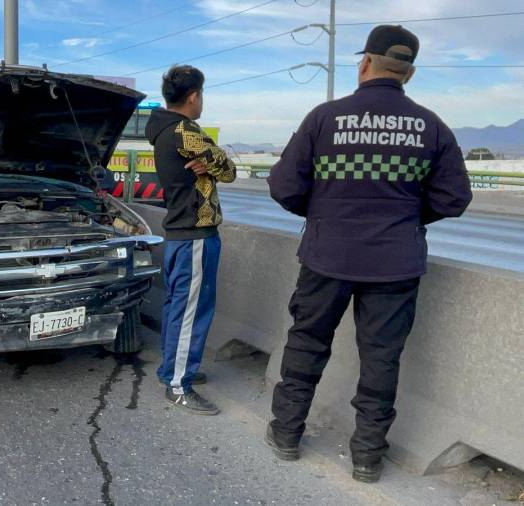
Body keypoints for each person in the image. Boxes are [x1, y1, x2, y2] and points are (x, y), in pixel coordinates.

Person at [265, 25, 473, 483]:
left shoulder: (324, 118)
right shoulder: (432, 126)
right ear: (409, 73)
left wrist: (324, 213)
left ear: (364, 64)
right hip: (395, 264)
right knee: (381, 359)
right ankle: (367, 459)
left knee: (307, 343)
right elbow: (453, 199)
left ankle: (285, 434)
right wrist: (405, 216)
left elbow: (283, 186)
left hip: (326, 256)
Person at [145, 65, 237, 415]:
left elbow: (216, 166)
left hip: (179, 234)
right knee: (191, 312)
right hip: (196, 234)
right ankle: (178, 384)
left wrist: (209, 164)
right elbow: (228, 170)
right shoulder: (185, 130)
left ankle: (172, 369)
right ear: (194, 96)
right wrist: (213, 163)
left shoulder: (162, 129)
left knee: (177, 307)